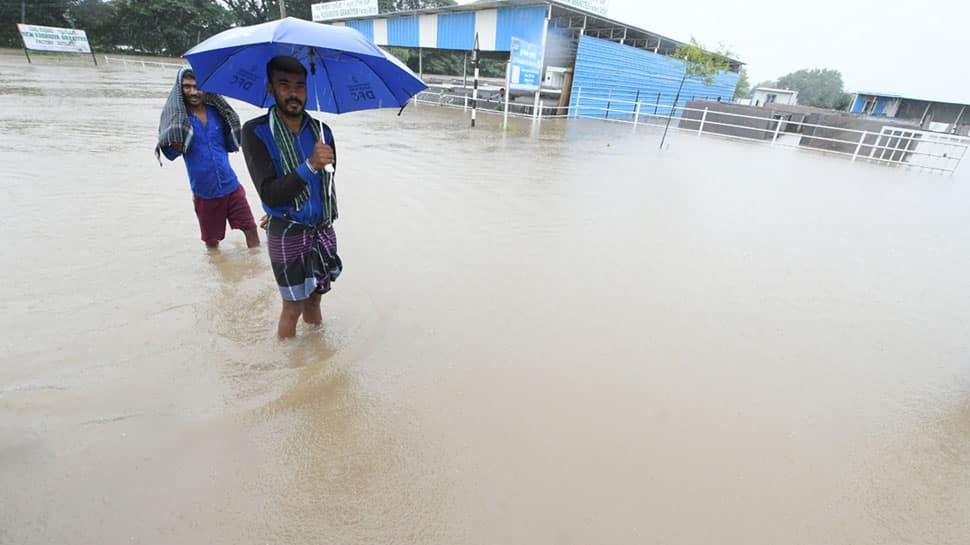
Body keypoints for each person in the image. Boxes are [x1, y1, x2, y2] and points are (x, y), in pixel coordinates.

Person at [241, 56, 342, 339]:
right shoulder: (255, 131)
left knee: (315, 297)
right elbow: (270, 194)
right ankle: (290, 371)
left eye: (300, 86)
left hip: (321, 227)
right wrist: (310, 165)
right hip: (287, 229)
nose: (294, 93)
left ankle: (318, 355)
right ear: (270, 88)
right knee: (293, 304)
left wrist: (315, 167)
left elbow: (327, 186)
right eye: (284, 85)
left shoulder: (323, 132)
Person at [157, 67, 260, 249]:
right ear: (180, 89)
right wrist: (175, 144)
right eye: (187, 87)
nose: (193, 92)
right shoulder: (177, 120)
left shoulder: (219, 114)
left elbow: (232, 140)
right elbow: (171, 154)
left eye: (198, 87)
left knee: (251, 229)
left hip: (231, 186)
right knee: (212, 242)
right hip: (205, 192)